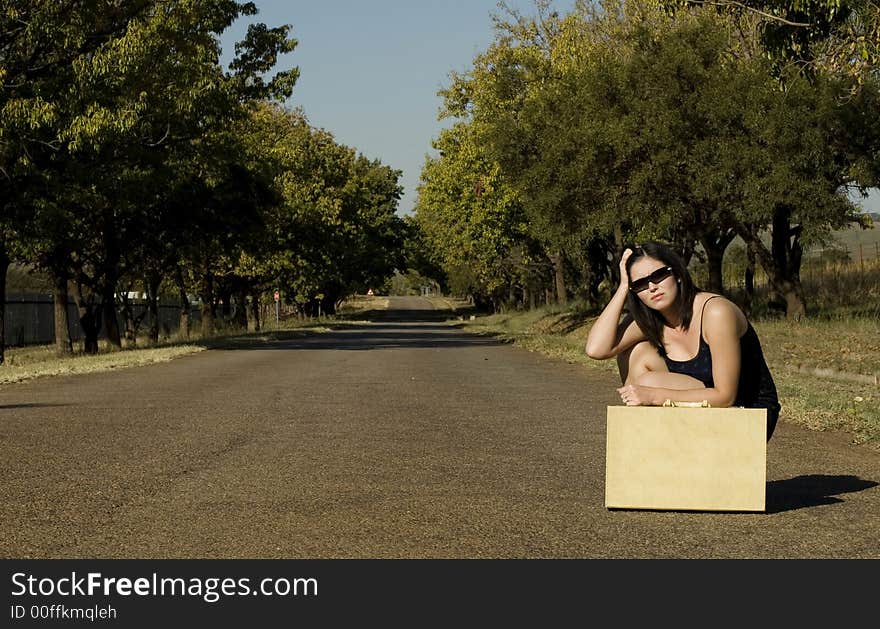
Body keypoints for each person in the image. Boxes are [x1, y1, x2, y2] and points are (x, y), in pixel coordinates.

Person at [585, 241, 780, 440]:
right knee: (636, 353)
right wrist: (624, 287)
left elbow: (725, 396)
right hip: (700, 405)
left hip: (748, 410)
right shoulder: (651, 319)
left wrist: (653, 395)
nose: (652, 287)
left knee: (647, 382)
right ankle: (649, 449)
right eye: (641, 284)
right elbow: (596, 349)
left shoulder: (715, 313)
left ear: (677, 274)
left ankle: (654, 448)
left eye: (659, 275)